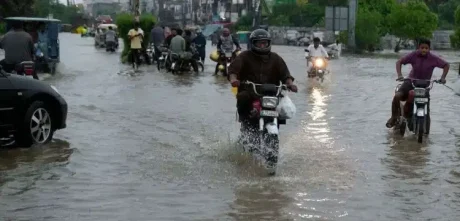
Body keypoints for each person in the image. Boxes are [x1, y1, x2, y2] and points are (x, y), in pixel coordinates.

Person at [228, 29, 298, 127]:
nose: (262, 46)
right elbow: (233, 71)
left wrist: (290, 84)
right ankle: (244, 120)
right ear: (253, 43)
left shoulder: (275, 58)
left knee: (281, 106)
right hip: (250, 91)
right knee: (242, 97)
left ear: (268, 43)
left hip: (271, 93)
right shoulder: (244, 56)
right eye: (259, 43)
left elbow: (286, 75)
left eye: (264, 43)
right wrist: (233, 80)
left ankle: (276, 122)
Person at [386, 39, 449, 128]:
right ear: (418, 48)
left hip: (424, 86)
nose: (424, 50)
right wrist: (400, 75)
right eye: (422, 48)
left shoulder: (433, 58)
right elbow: (399, 62)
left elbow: (446, 65)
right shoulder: (413, 55)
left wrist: (443, 78)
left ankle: (426, 131)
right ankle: (393, 117)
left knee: (426, 106)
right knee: (397, 96)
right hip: (410, 82)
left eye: (426, 48)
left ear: (429, 49)